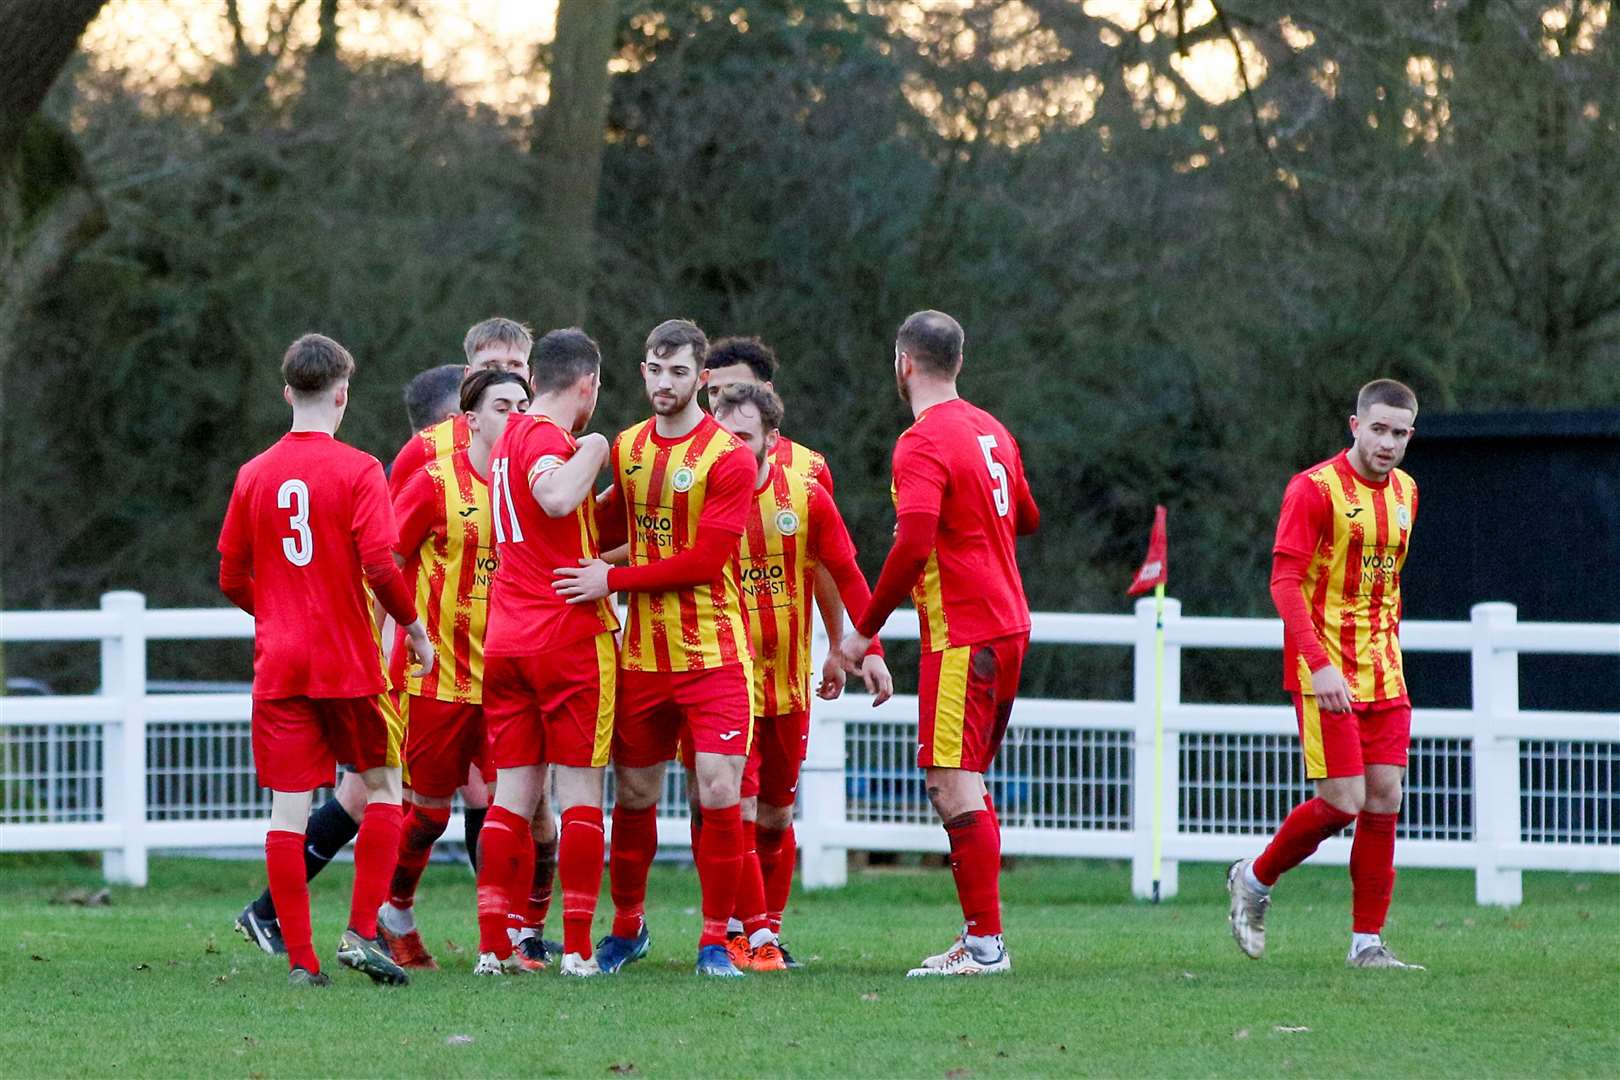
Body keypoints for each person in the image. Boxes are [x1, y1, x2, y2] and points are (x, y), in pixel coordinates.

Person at [217, 332, 433, 987]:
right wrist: (415, 628)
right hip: (347, 662)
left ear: (288, 392)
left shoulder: (254, 473)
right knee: (384, 787)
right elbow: (378, 563)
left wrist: (276, 615)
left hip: (281, 665)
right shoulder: (361, 468)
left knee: (288, 810)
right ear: (342, 392)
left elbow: (231, 574)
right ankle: (362, 933)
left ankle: (303, 961)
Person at [836, 310, 1039, 977]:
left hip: (964, 630)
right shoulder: (991, 427)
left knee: (950, 781)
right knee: (967, 781)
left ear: (904, 364)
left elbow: (914, 541)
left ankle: (985, 949)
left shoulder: (921, 441)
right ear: (959, 361)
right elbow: (1028, 516)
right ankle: (981, 939)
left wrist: (863, 629)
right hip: (1007, 623)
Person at [553, 318, 757, 978]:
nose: (664, 383)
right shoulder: (628, 446)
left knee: (719, 790)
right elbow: (598, 523)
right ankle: (628, 928)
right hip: (641, 657)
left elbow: (705, 560)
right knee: (636, 796)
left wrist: (611, 578)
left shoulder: (729, 456)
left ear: (702, 378)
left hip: (714, 655)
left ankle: (713, 941)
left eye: (677, 373)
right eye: (653, 370)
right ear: (641, 371)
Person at [1227, 379, 1424, 970]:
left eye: (1400, 433)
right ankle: (1254, 879)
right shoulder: (1314, 490)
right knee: (1342, 802)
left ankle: (1367, 943)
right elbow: (1284, 583)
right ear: (1354, 425)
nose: (1387, 442)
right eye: (1379, 429)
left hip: (1384, 671)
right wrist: (1317, 664)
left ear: (1410, 435)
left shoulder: (1408, 492)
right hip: (1325, 670)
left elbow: (1383, 583)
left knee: (1384, 798)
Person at [709, 382, 893, 971]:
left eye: (743, 438)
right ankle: (754, 938)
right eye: (723, 436)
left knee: (775, 817)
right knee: (732, 808)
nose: (732, 449)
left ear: (771, 440)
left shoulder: (806, 496)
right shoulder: (698, 497)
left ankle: (761, 930)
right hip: (722, 682)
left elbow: (845, 570)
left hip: (787, 680)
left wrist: (865, 648)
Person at [473, 328, 619, 978]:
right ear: (586, 384)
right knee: (580, 791)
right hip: (562, 636)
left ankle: (491, 947)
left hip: (506, 637)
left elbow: (556, 520)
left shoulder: (505, 439)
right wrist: (598, 443)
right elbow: (556, 495)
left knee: (512, 796)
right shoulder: (545, 438)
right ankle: (581, 949)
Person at [376, 370, 530, 970]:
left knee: (508, 807)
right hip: (438, 674)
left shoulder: (539, 486)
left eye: (523, 405)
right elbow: (385, 560)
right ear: (471, 420)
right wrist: (397, 634)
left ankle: (508, 939)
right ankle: (394, 912)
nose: (515, 416)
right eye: (501, 406)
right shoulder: (435, 483)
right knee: (432, 813)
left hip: (510, 678)